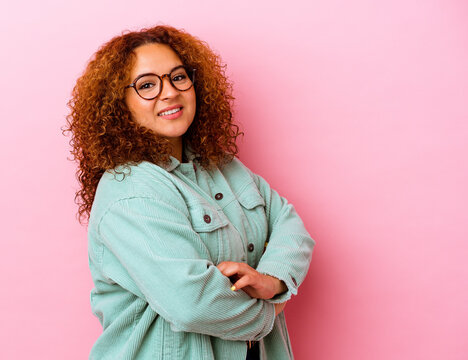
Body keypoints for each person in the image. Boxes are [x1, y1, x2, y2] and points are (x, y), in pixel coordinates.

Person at [64, 24, 315, 360]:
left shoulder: (223, 167)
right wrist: (273, 309)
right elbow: (191, 303)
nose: (169, 93)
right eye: (147, 85)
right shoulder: (131, 192)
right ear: (119, 104)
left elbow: (289, 224)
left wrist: (273, 280)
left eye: (178, 77)